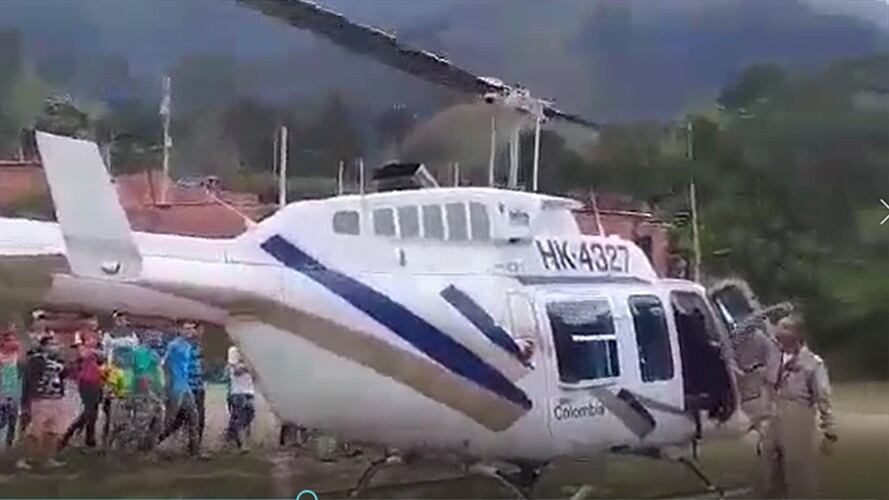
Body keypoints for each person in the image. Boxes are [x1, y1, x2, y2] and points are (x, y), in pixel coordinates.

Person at [759, 313, 837, 498]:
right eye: (779, 326)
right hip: (775, 414)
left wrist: (830, 430)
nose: (779, 330)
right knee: (770, 466)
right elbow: (766, 386)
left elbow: (823, 396)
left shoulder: (812, 363)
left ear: (797, 333)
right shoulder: (773, 357)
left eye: (785, 327)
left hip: (798, 413)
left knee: (797, 467)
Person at [18, 332, 68, 470]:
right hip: (40, 398)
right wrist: (25, 402)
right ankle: (26, 459)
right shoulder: (36, 360)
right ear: (45, 346)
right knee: (34, 432)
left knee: (53, 431)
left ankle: (48, 459)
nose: (57, 347)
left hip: (56, 398)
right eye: (53, 344)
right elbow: (28, 380)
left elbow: (64, 375)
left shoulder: (58, 361)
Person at [60, 322, 105, 451]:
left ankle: (89, 439)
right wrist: (83, 345)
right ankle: (68, 435)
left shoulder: (97, 342)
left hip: (97, 381)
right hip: (86, 382)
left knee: (93, 412)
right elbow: (83, 354)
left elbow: (102, 357)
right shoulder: (81, 341)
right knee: (89, 411)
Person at [156, 324, 200, 456]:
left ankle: (194, 452)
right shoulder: (173, 345)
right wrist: (166, 388)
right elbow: (164, 364)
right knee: (170, 421)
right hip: (174, 387)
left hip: (185, 386)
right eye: (186, 328)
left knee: (194, 417)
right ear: (180, 330)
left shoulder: (188, 345)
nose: (190, 331)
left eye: (192, 328)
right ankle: (151, 443)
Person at [225, 346, 255, 451]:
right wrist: (250, 366)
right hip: (238, 391)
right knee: (240, 416)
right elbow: (236, 371)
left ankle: (234, 438)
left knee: (250, 415)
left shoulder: (252, 350)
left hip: (250, 390)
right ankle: (242, 444)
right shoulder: (234, 351)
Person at [0, 324, 23, 449]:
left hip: (14, 390)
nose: (13, 342)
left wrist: (12, 330)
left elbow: (18, 345)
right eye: (9, 340)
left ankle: (9, 445)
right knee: (2, 420)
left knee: (13, 419)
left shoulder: (14, 354)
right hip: (3, 392)